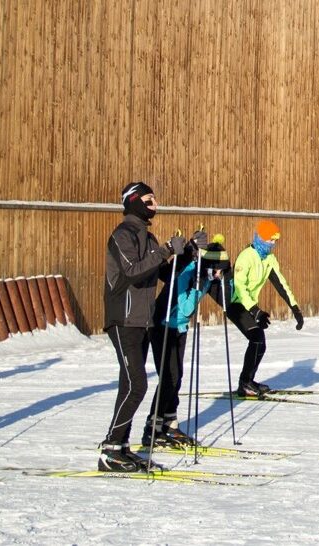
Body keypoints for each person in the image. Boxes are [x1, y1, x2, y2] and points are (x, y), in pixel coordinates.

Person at [100, 181, 194, 472]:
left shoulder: (148, 237)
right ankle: (110, 449)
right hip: (123, 319)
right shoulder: (122, 235)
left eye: (155, 199)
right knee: (137, 384)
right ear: (134, 201)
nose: (154, 203)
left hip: (142, 320)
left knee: (131, 384)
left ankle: (121, 447)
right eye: (149, 199)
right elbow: (130, 271)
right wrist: (166, 248)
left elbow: (164, 271)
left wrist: (189, 250)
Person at [143, 235, 229, 448]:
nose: (219, 274)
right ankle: (152, 429)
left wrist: (218, 282)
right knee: (168, 377)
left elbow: (225, 295)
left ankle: (169, 423)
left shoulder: (206, 276)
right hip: (163, 325)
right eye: (217, 270)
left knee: (177, 375)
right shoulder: (188, 272)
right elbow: (186, 308)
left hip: (179, 327)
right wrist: (201, 284)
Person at [226, 220, 303, 397]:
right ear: (261, 238)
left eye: (275, 240)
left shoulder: (268, 259)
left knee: (260, 344)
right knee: (256, 338)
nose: (273, 244)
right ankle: (244, 383)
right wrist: (255, 311)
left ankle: (248, 381)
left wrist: (295, 308)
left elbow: (281, 283)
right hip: (236, 305)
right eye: (270, 240)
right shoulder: (246, 256)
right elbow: (239, 287)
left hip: (250, 306)